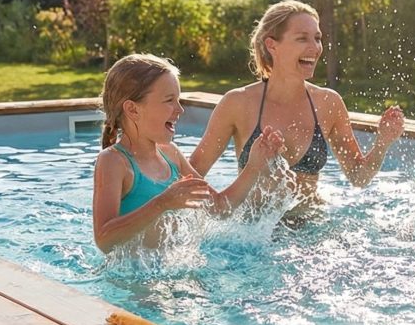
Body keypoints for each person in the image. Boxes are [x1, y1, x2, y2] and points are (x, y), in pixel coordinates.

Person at [189, 0, 405, 204]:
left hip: (311, 230)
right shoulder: (238, 103)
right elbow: (191, 174)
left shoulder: (329, 103)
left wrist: (381, 144)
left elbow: (359, 177)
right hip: (253, 235)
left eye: (317, 38)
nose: (315, 47)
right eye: (302, 38)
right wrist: (216, 208)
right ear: (272, 45)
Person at [92, 54, 284, 252]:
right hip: (130, 279)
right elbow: (104, 240)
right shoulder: (114, 162)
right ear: (133, 110)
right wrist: (162, 203)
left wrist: (253, 167)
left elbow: (218, 208)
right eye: (169, 100)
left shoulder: (171, 155)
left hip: (171, 271)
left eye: (179, 100)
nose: (180, 109)